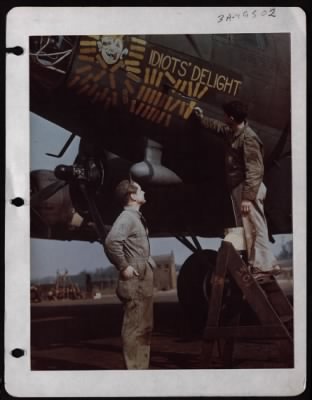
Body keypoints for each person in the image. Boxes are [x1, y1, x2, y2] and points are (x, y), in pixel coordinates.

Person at [193, 101, 280, 277]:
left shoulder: (248, 138)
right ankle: (256, 264)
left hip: (249, 188)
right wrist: (201, 119)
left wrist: (248, 197)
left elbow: (255, 170)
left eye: (225, 115)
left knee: (256, 226)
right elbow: (218, 127)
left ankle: (266, 265)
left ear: (231, 117)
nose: (223, 118)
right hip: (240, 187)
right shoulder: (233, 132)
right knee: (247, 228)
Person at [104, 179, 155, 369]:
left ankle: (141, 368)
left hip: (143, 275)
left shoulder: (135, 217)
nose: (144, 193)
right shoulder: (127, 218)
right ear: (132, 196)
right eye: (140, 190)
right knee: (135, 328)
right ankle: (135, 371)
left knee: (145, 327)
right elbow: (111, 242)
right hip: (135, 278)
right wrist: (123, 266)